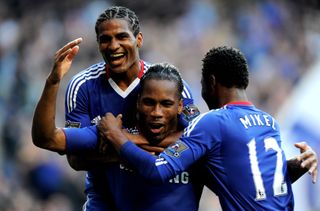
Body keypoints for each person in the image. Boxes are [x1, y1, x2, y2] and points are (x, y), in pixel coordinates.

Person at [98, 46, 318, 210]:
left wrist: (117, 136)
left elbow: (158, 170)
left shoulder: (212, 122)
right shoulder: (269, 122)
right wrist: (298, 165)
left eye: (202, 85)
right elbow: (261, 182)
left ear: (211, 82)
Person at [32, 6, 202, 211]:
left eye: (122, 36)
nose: (114, 46)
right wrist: (53, 81)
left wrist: (119, 138)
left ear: (138, 39)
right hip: (103, 202)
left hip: (154, 200)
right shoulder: (82, 86)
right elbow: (75, 159)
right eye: (106, 39)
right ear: (98, 44)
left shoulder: (167, 84)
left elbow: (198, 139)